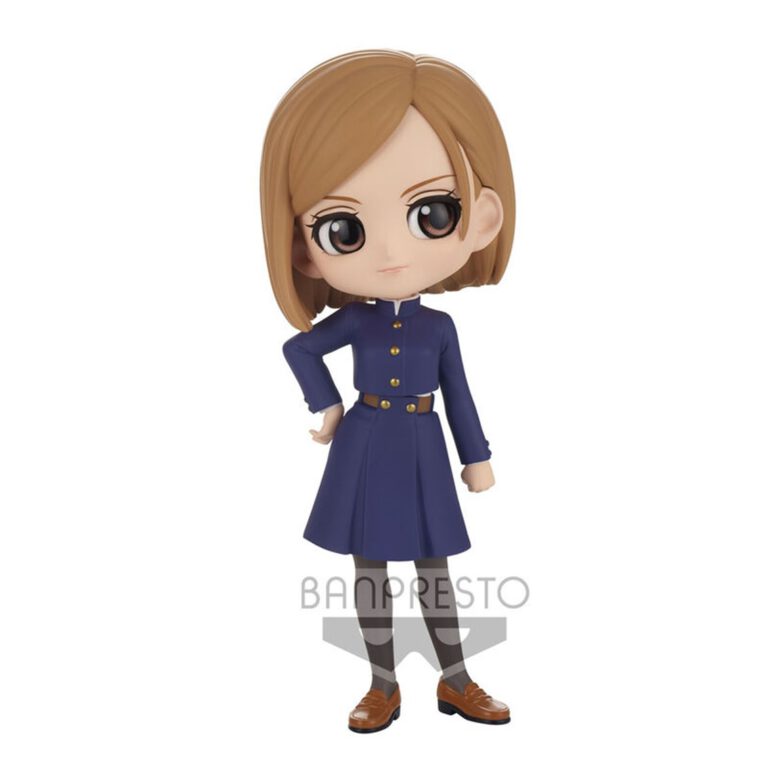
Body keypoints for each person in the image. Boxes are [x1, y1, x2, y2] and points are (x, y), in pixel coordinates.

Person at [260, 49, 515, 732]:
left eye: (432, 212)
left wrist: (476, 456)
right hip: (365, 443)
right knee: (368, 569)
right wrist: (327, 403)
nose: (391, 252)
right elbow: (300, 346)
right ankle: (382, 686)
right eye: (344, 228)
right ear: (304, 246)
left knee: (434, 568)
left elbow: (459, 393)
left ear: (480, 218)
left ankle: (456, 680)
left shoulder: (439, 327)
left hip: (425, 444)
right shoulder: (355, 321)